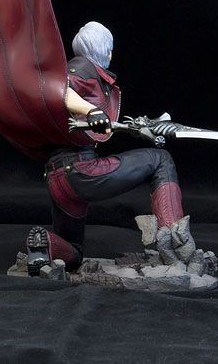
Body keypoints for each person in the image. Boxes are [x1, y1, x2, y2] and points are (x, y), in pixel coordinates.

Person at [26, 21, 197, 276]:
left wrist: (140, 128)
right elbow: (55, 90)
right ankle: (174, 239)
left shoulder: (89, 74)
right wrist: (91, 110)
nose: (110, 54)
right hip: (81, 171)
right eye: (109, 49)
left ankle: (45, 246)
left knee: (73, 253)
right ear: (102, 49)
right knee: (161, 160)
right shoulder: (81, 66)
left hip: (57, 178)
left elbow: (101, 125)